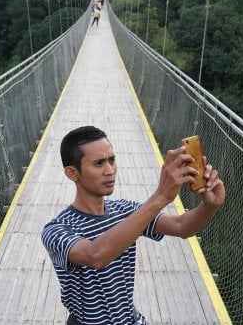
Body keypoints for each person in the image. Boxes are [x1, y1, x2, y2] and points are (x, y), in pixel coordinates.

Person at [41, 126, 227, 325]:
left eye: (112, 160)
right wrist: (160, 197)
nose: (110, 170)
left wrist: (210, 205)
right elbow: (95, 256)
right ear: (72, 173)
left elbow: (182, 227)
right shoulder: (56, 230)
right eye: (98, 163)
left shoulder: (126, 211)